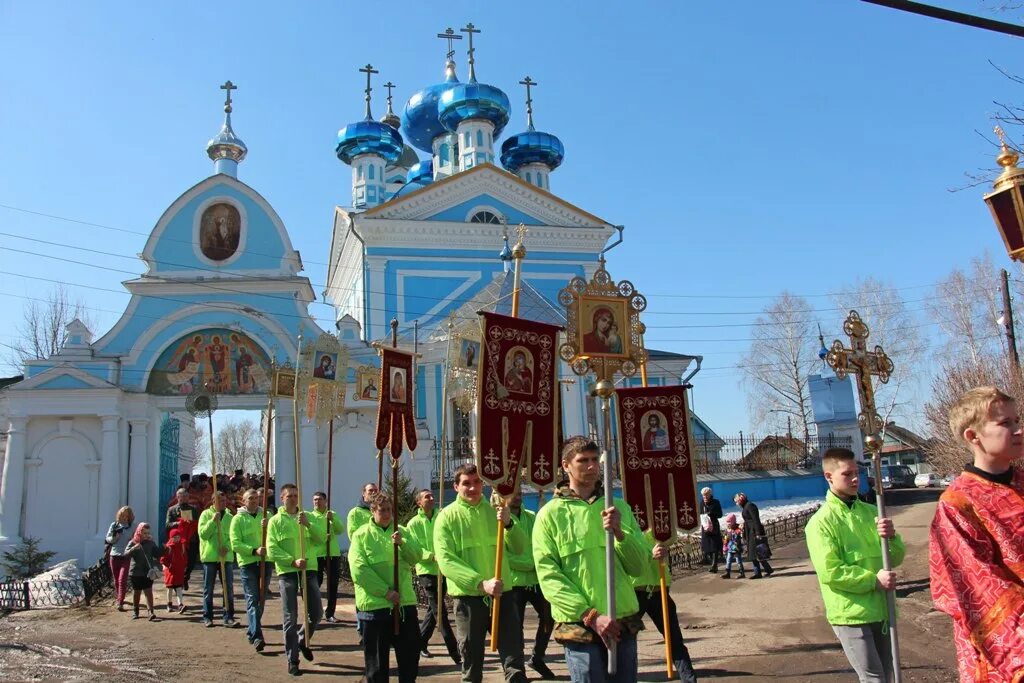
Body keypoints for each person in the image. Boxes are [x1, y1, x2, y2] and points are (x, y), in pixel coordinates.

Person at [532, 436, 648, 682]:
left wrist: (619, 533)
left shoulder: (618, 509)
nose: (592, 466)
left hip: (621, 620)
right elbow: (549, 575)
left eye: (595, 460)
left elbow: (638, 566)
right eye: (583, 460)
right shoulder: (549, 516)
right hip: (580, 625)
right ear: (566, 466)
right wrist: (591, 616)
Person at [929, 386, 1024, 681]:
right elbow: (981, 593)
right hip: (1003, 656)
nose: (1018, 429)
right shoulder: (957, 504)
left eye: (1017, 420)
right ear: (973, 436)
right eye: (1005, 423)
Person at [806, 447, 905, 683]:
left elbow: (897, 557)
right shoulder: (820, 523)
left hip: (881, 609)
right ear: (829, 477)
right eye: (847, 474)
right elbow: (831, 572)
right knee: (873, 678)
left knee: (888, 675)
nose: (854, 479)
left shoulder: (871, 512)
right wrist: (873, 581)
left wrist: (891, 537)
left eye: (856, 473)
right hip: (850, 614)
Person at [434, 463, 529, 683]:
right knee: (472, 663)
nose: (473, 488)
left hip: (502, 597)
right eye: (466, 483)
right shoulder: (447, 517)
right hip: (469, 600)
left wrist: (508, 525)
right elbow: (446, 561)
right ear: (456, 486)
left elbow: (520, 547)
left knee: (515, 660)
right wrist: (480, 583)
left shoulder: (497, 512)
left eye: (477, 482)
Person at [350, 492, 423, 682]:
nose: (387, 514)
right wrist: (386, 592)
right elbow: (359, 570)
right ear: (373, 511)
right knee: (377, 667)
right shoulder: (361, 536)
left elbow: (416, 557)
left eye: (390, 510)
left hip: (404, 605)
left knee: (409, 661)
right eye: (382, 510)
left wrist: (402, 544)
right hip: (375, 609)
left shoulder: (402, 531)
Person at [267, 483, 324, 677]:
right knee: (290, 616)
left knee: (316, 612)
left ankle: (302, 638)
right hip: (288, 571)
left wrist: (308, 524)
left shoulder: (305, 517)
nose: (293, 498)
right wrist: (292, 561)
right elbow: (272, 548)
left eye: (295, 495)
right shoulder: (275, 521)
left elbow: (321, 539)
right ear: (282, 498)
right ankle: (292, 659)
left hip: (308, 570)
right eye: (289, 496)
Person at [632, 529, 698, 683]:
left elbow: (674, 536)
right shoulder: (627, 522)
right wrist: (650, 554)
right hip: (635, 591)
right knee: (626, 643)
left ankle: (689, 680)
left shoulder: (658, 526)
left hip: (659, 589)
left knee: (674, 640)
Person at [404, 489, 460, 665]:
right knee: (440, 612)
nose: (431, 498)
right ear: (419, 502)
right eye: (426, 497)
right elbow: (415, 548)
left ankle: (418, 643)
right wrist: (431, 556)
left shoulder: (440, 516)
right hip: (426, 571)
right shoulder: (413, 524)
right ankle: (455, 651)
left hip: (443, 569)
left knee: (433, 609)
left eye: (431, 496)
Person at [507, 488, 556, 680]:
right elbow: (502, 556)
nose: (517, 497)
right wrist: (528, 565)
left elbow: (540, 543)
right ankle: (518, 669)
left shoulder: (532, 516)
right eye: (513, 494)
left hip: (535, 579)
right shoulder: (500, 519)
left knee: (549, 617)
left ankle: (537, 656)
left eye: (519, 493)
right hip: (514, 581)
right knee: (515, 626)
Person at [231, 488, 271, 652]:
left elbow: (274, 536)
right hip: (248, 563)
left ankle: (252, 630)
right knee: (252, 599)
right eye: (250, 498)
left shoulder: (266, 516)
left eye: (256, 498)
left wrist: (268, 527)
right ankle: (257, 636)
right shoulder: (238, 519)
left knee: (261, 599)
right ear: (244, 501)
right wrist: (253, 550)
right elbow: (235, 543)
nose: (254, 501)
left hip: (265, 562)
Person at [198, 490, 237, 628]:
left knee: (228, 588)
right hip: (210, 557)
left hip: (225, 557)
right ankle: (208, 616)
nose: (223, 503)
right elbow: (203, 535)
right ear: (213, 501)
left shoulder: (230, 517)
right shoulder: (205, 515)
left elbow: (234, 537)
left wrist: (227, 547)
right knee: (208, 588)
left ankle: (228, 616)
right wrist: (213, 521)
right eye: (220, 501)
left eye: (224, 501)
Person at [309, 491, 344, 624]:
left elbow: (340, 530)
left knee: (333, 585)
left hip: (332, 554)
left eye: (319, 499)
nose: (316, 502)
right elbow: (309, 533)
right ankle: (315, 611)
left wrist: (332, 519)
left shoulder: (332, 514)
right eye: (314, 500)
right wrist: (323, 536)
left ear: (325, 501)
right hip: (317, 554)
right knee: (315, 584)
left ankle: (330, 613)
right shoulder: (310, 516)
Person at [123, 522, 164, 621]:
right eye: (144, 533)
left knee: (148, 591)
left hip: (147, 571)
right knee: (137, 592)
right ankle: (135, 611)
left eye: (148, 533)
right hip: (135, 572)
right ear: (139, 532)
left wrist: (164, 549)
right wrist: (133, 548)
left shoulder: (150, 543)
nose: (146, 535)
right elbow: (125, 555)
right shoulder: (133, 542)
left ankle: (151, 612)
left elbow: (157, 553)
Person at [733, 493, 774, 579]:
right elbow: (749, 520)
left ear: (741, 500)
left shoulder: (750, 506)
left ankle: (762, 572)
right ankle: (763, 571)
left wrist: (758, 533)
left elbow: (756, 520)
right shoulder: (746, 506)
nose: (736, 504)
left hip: (754, 532)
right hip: (750, 531)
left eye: (737, 501)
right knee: (754, 553)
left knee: (757, 552)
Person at [165, 487, 198, 588]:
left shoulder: (193, 509)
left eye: (186, 496)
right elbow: (167, 525)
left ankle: (186, 576)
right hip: (178, 542)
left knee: (191, 562)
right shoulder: (171, 509)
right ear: (177, 497)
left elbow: (198, 523)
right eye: (182, 496)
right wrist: (178, 523)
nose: (184, 498)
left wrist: (191, 523)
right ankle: (178, 582)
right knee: (179, 562)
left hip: (191, 540)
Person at [105, 505, 136, 611]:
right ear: (119, 515)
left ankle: (120, 601)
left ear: (130, 516)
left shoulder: (132, 526)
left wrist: (132, 541)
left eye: (127, 515)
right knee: (116, 579)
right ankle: (119, 597)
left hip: (126, 555)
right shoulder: (114, 525)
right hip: (114, 555)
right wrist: (115, 537)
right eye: (122, 515)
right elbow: (108, 539)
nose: (124, 517)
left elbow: (136, 538)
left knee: (122, 579)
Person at [160, 528, 188, 614]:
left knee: (179, 588)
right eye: (175, 537)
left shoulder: (182, 546)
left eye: (178, 537)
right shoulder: (169, 547)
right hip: (170, 572)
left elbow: (184, 557)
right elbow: (162, 560)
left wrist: (185, 566)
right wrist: (169, 566)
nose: (177, 539)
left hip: (179, 571)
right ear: (171, 538)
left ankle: (180, 605)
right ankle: (169, 604)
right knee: (170, 588)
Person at [699, 487, 723, 574]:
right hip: (705, 526)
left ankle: (714, 565)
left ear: (710, 494)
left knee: (714, 546)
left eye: (706, 495)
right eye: (703, 495)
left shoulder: (716, 502)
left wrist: (711, 514)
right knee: (706, 545)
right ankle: (710, 561)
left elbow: (720, 514)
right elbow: (700, 513)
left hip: (714, 526)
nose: (704, 496)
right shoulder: (701, 503)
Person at [720, 514, 745, 579]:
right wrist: (724, 546)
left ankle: (742, 573)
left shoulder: (737, 528)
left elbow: (740, 535)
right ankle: (727, 573)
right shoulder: (727, 530)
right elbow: (725, 538)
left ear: (733, 522)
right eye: (727, 523)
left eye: (729, 522)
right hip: (730, 548)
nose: (728, 524)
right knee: (728, 560)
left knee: (738, 561)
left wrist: (740, 529)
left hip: (736, 548)